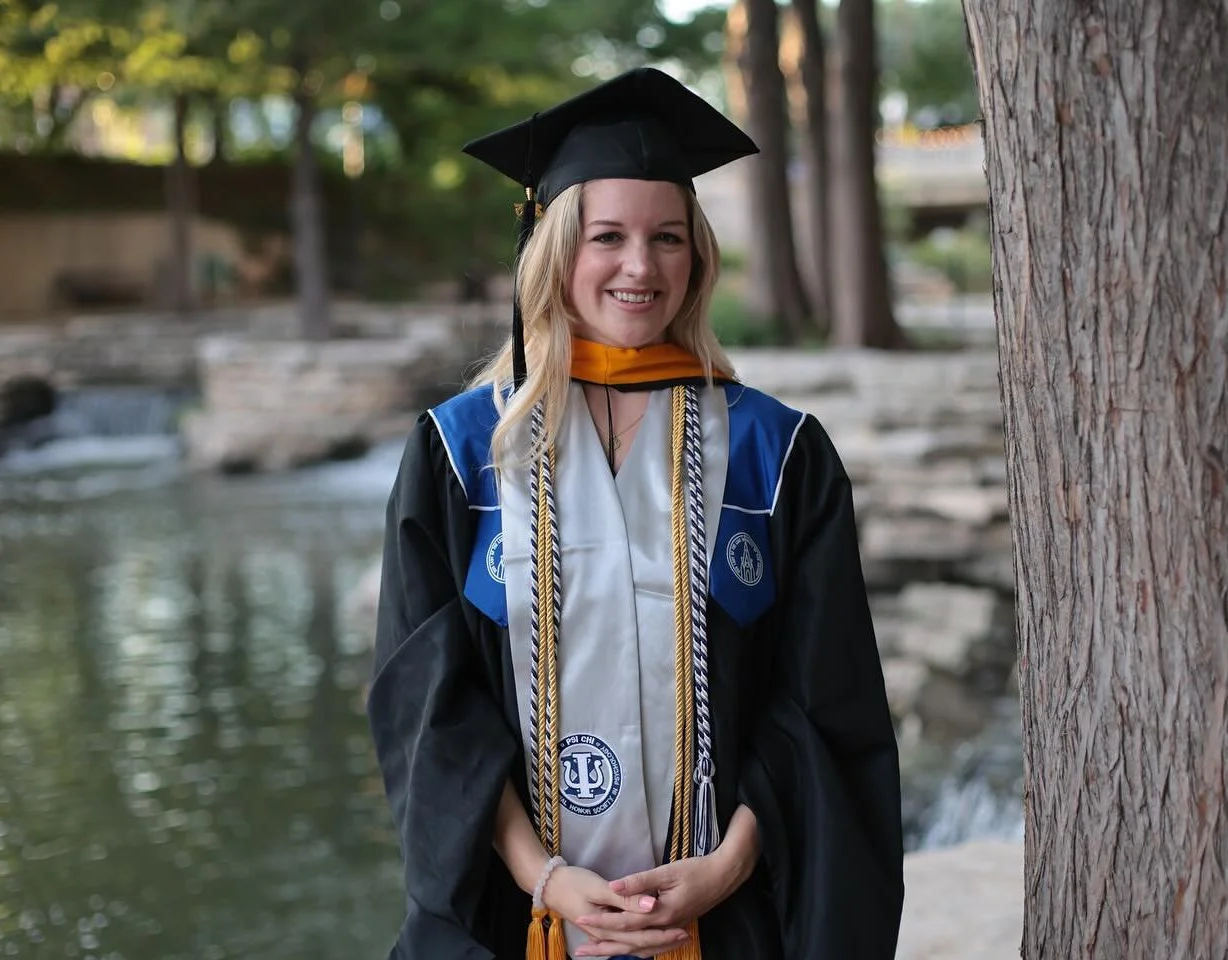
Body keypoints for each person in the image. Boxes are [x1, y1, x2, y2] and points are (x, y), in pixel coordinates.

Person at [369, 67, 903, 960]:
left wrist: (725, 868)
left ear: (698, 257)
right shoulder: (463, 454)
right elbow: (430, 709)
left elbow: (823, 703)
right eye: (607, 236)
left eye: (668, 237)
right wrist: (545, 876)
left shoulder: (776, 453)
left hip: (726, 923)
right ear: (553, 250)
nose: (640, 266)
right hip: (522, 923)